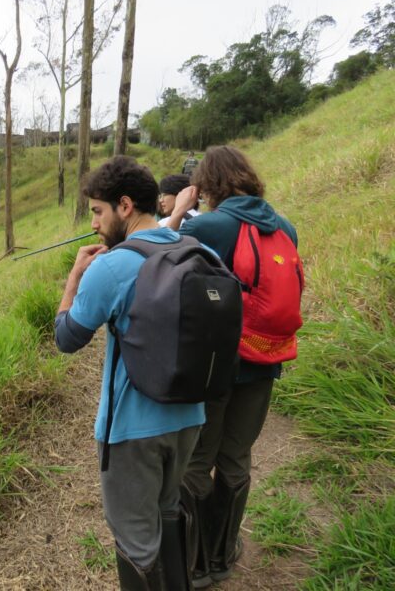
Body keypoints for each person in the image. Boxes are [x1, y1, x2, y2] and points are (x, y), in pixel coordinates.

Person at [54, 155, 205, 590]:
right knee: (168, 510)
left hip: (131, 432)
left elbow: (67, 337)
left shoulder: (111, 266)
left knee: (136, 539)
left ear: (124, 206)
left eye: (98, 212)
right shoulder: (196, 249)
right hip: (191, 415)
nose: (96, 224)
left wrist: (75, 277)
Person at [165, 145, 299, 588]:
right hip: (266, 360)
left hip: (216, 365)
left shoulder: (210, 225)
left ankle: (197, 562)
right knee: (236, 459)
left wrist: (183, 211)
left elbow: (164, 264)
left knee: (196, 462)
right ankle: (224, 555)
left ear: (209, 184)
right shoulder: (285, 227)